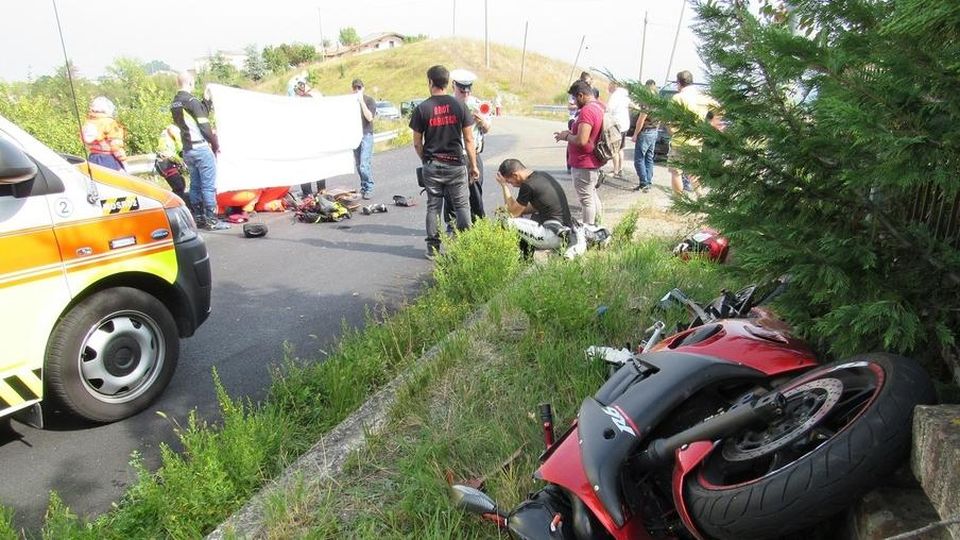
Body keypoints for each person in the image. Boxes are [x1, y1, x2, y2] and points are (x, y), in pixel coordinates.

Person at [409, 65, 480, 260]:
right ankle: (466, 246)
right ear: (447, 83)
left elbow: (417, 143)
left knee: (433, 206)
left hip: (432, 165)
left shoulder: (422, 108)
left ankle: (433, 249)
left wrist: (426, 160)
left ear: (430, 82)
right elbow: (469, 140)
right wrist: (473, 166)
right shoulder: (459, 106)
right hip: (456, 165)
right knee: (462, 206)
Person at [171, 72, 229, 230]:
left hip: (188, 149)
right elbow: (204, 125)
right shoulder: (191, 101)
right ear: (190, 82)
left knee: (195, 185)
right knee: (208, 186)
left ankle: (199, 218)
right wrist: (215, 144)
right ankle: (212, 220)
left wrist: (206, 100)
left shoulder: (175, 103)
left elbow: (195, 118)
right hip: (201, 148)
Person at [495, 158, 586, 260]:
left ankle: (524, 260)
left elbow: (512, 213)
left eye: (509, 182)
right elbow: (526, 209)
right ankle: (526, 258)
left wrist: (504, 186)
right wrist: (511, 209)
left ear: (515, 175)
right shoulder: (542, 176)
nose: (511, 185)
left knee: (505, 221)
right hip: (566, 232)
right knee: (523, 216)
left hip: (553, 235)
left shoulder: (528, 185)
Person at [442, 68, 491, 225]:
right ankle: (452, 223)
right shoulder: (445, 104)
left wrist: (480, 120)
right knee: (450, 191)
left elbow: (487, 128)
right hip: (451, 154)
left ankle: (477, 222)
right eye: (462, 91)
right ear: (453, 86)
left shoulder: (479, 105)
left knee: (475, 189)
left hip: (472, 155)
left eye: (468, 91)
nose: (465, 95)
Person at [554, 80, 604, 226]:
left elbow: (582, 140)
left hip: (584, 162)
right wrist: (570, 133)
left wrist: (566, 137)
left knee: (586, 199)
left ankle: (589, 232)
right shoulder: (599, 107)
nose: (575, 102)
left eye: (575, 99)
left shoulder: (587, 111)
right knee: (592, 195)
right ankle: (597, 225)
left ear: (581, 95)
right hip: (593, 160)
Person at [668, 70, 719, 194]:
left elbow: (669, 119)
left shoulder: (677, 98)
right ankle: (700, 198)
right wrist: (712, 124)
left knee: (676, 172)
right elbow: (719, 108)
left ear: (679, 83)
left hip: (679, 140)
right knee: (693, 172)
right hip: (696, 140)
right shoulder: (702, 97)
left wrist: (672, 131)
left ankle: (679, 202)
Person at [81, 96, 126, 171]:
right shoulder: (110, 123)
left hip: (92, 158)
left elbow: (85, 140)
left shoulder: (88, 123)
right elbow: (115, 145)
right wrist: (123, 159)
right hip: (108, 160)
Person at [631, 79, 660, 192]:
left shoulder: (647, 101)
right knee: (649, 158)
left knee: (638, 159)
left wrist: (635, 134)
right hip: (654, 131)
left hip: (645, 132)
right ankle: (648, 181)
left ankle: (644, 182)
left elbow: (641, 120)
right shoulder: (658, 101)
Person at [352, 78, 378, 199]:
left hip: (366, 134)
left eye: (359, 88)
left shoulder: (369, 101)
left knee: (364, 164)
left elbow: (369, 117)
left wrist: (361, 102)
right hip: (355, 135)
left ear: (363, 88)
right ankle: (364, 185)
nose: (357, 90)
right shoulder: (350, 102)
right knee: (358, 164)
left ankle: (369, 186)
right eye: (355, 88)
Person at [605, 80, 632, 178]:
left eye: (609, 85)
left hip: (617, 125)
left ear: (614, 85)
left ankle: (615, 171)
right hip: (625, 125)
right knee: (621, 148)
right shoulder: (625, 95)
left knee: (614, 149)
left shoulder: (615, 96)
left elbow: (608, 109)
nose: (608, 87)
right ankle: (620, 168)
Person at [155, 124, 187, 202]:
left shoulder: (165, 136)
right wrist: (182, 161)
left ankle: (174, 202)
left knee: (181, 184)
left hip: (167, 164)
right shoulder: (168, 138)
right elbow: (176, 151)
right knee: (179, 186)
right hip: (167, 165)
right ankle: (174, 203)